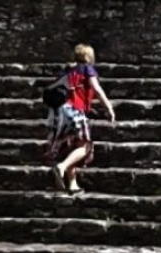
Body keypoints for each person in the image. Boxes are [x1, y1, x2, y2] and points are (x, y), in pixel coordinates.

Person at [45, 43, 117, 194]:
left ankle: (73, 185)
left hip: (59, 113)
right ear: (88, 56)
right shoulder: (86, 69)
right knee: (86, 146)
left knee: (72, 148)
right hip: (75, 110)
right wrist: (109, 108)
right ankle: (62, 167)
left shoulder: (67, 71)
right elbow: (96, 89)